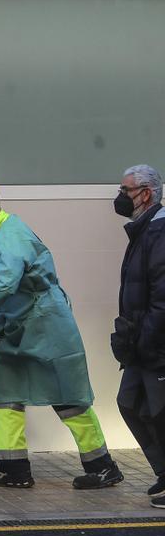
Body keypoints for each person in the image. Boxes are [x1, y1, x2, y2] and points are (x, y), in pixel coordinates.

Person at [0, 182, 122, 489]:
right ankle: (14, 469)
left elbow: (3, 285)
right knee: (5, 397)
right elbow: (10, 294)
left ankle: (103, 466)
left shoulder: (11, 238)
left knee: (68, 397)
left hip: (47, 326)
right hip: (22, 327)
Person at [110, 164, 165, 508]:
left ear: (145, 194)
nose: (120, 198)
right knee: (129, 403)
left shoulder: (159, 233)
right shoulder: (143, 231)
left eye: (125, 190)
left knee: (159, 411)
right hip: (140, 344)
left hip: (155, 345)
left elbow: (162, 297)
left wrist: (145, 340)